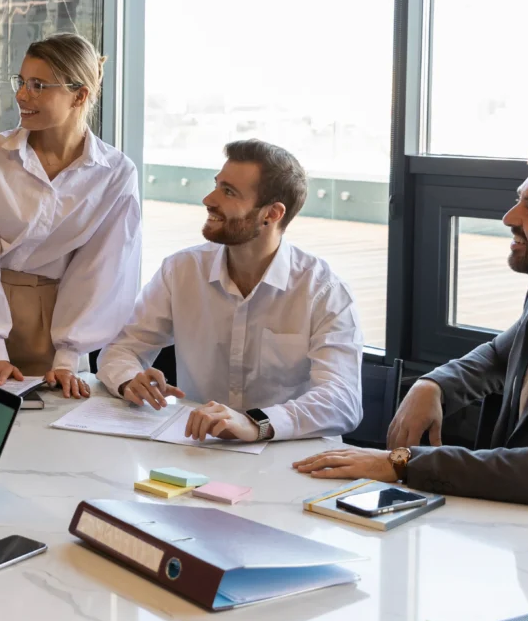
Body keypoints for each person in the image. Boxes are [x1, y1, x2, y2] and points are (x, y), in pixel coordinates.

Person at [296, 140, 528, 515]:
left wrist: (402, 463)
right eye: (520, 199)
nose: (510, 217)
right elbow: (501, 354)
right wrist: (432, 383)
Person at [97, 140, 364, 441]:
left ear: (272, 214)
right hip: (198, 450)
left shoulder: (324, 291)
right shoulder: (181, 270)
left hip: (289, 461)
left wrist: (257, 423)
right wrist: (131, 379)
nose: (208, 199)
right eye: (217, 185)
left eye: (229, 192)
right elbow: (121, 348)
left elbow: (342, 401)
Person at [0, 34, 141, 399]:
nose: (21, 95)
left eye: (38, 85)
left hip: (59, 324)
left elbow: (102, 268)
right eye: (22, 82)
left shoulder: (115, 173)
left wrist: (68, 355)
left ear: (80, 95)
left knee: (49, 447)